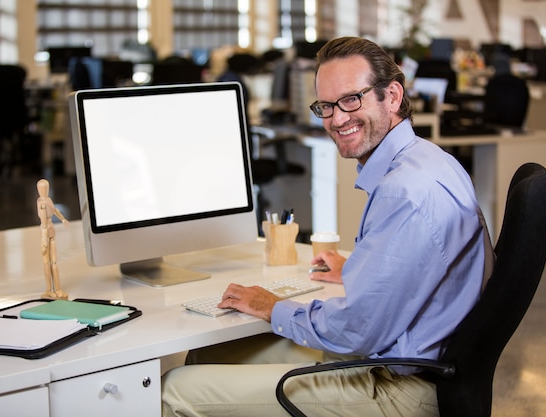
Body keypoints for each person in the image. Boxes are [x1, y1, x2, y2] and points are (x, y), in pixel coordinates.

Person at [161, 37, 494, 417]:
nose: (336, 119)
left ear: (393, 96)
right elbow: (415, 271)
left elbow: (358, 330)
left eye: (352, 99)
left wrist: (272, 306)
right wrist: (356, 270)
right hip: (413, 357)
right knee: (209, 356)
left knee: (175, 390)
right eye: (326, 106)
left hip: (400, 388)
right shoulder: (426, 160)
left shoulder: (406, 191)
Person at [37, 178, 70, 300]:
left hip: (48, 229)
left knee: (52, 262)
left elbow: (54, 210)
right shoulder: (41, 202)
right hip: (45, 230)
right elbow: (44, 220)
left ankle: (55, 289)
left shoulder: (46, 200)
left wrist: (62, 219)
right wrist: (44, 239)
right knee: (48, 262)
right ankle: (51, 289)